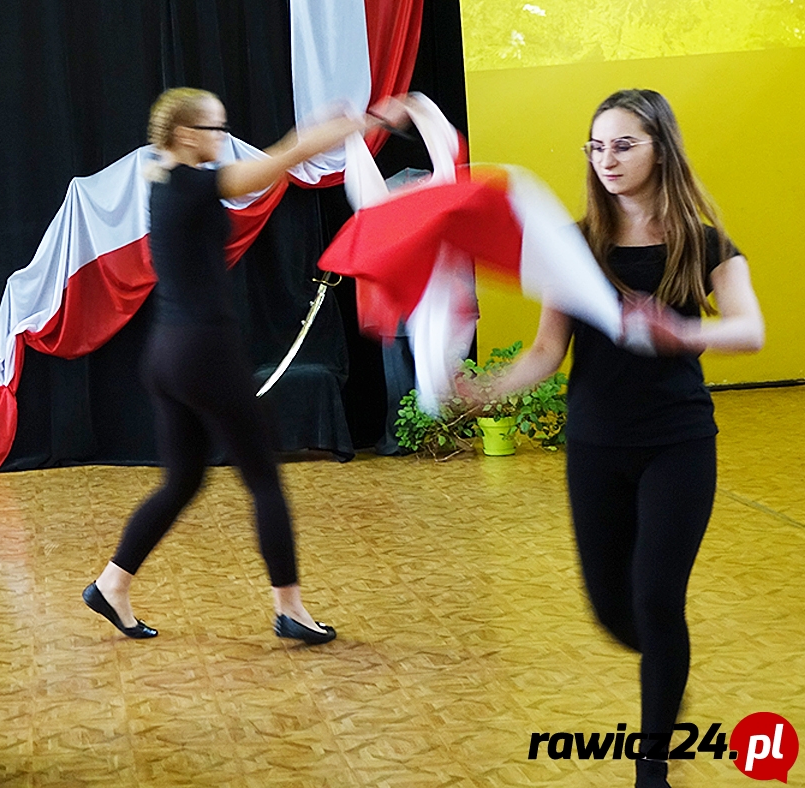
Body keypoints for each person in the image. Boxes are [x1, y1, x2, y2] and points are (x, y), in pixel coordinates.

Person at [466, 89, 764, 788]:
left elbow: (749, 329)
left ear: (661, 148)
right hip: (596, 447)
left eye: (624, 144)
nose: (608, 159)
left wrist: (681, 332)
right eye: (597, 146)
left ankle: (651, 759)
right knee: (613, 610)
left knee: (657, 597)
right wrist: (488, 388)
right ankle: (667, 666)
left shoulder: (704, 241)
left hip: (677, 445)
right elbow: (547, 352)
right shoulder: (575, 246)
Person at [83, 87, 412, 645]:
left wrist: (318, 127)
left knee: (183, 480)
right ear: (186, 134)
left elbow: (277, 156)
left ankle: (111, 585)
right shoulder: (192, 185)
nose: (224, 137)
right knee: (264, 479)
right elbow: (281, 160)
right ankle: (291, 610)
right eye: (215, 128)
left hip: (167, 355)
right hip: (203, 354)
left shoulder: (165, 180)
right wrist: (365, 121)